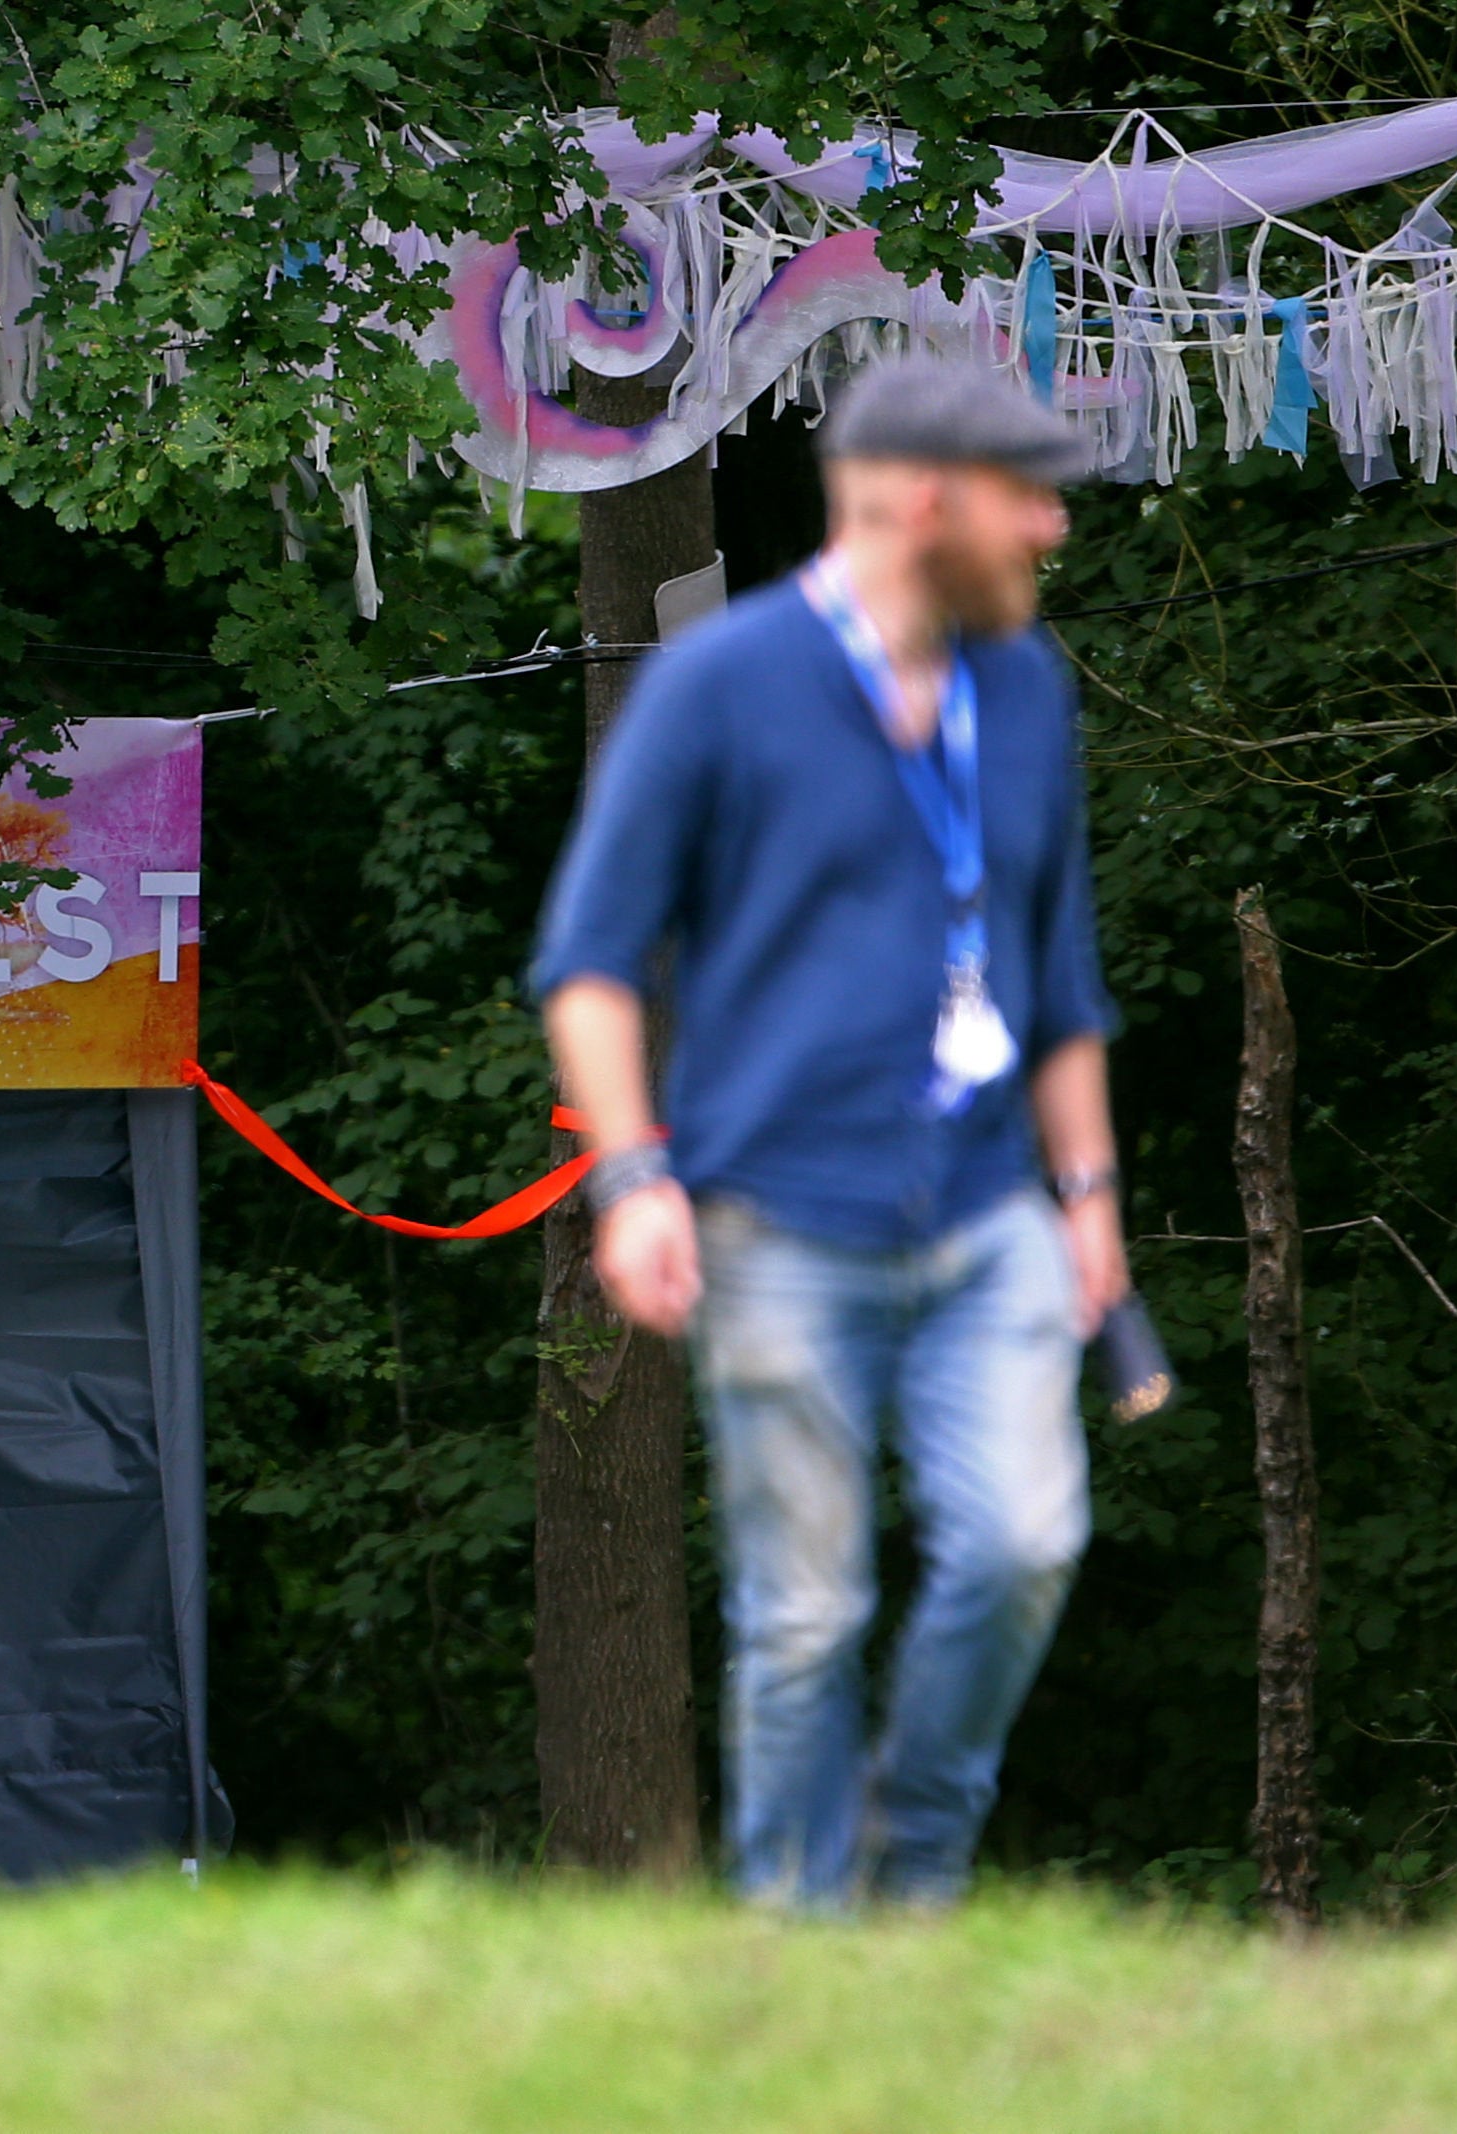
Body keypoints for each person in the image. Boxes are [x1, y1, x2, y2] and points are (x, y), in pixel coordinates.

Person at [529, 355, 1126, 1911]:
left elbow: (1060, 979)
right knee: (803, 1613)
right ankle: (797, 1940)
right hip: (773, 1221)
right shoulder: (716, 685)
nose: (1052, 529)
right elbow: (588, 965)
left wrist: (1088, 1201)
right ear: (921, 500)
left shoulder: (1027, 688)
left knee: (1022, 1541)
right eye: (1026, 497)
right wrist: (633, 1178)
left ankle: (910, 1859)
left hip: (990, 1207)